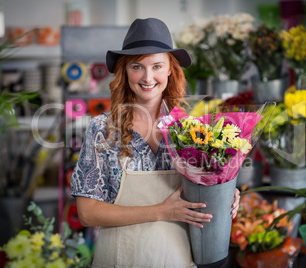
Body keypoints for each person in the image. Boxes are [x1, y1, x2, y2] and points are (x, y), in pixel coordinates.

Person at [71, 18, 241, 267]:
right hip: (120, 259)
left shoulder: (190, 129)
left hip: (177, 258)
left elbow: (202, 195)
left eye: (157, 66)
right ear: (125, 70)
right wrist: (161, 211)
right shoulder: (103, 130)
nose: (147, 77)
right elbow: (87, 213)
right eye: (137, 66)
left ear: (170, 69)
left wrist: (223, 193)